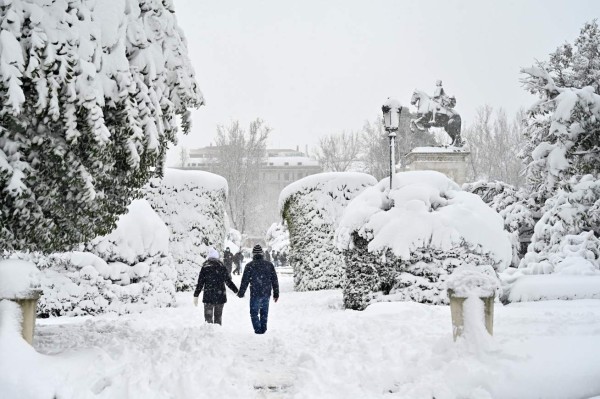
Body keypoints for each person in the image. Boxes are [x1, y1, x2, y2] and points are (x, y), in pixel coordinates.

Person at [238, 245, 279, 334]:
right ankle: (263, 330)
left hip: (255, 293)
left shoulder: (249, 266)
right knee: (264, 313)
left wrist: (241, 293)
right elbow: (274, 280)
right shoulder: (269, 265)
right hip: (266, 293)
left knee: (254, 313)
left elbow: (244, 281)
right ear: (262, 254)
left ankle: (258, 330)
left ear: (253, 254)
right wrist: (276, 294)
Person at [193, 247, 238, 325]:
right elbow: (228, 281)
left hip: (208, 297)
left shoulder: (205, 267)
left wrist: (196, 295)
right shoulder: (221, 267)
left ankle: (209, 333)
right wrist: (236, 290)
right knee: (218, 318)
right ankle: (217, 334)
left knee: (208, 320)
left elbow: (200, 283)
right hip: (220, 296)